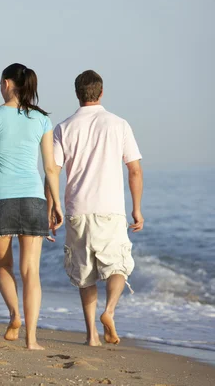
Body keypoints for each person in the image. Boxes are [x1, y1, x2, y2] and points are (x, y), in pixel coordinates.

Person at [48, 70, 144, 346]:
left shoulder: (64, 127)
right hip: (111, 208)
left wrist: (53, 207)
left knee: (84, 273)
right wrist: (137, 208)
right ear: (101, 93)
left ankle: (91, 335)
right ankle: (109, 311)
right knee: (117, 266)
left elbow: (52, 172)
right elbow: (134, 170)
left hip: (77, 209)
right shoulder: (118, 124)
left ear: (77, 94)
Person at [0, 63, 63, 350]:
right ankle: (33, 339)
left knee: (4, 266)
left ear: (6, 84)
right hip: (32, 198)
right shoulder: (42, 120)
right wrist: (57, 205)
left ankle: (14, 315)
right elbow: (50, 168)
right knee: (31, 272)